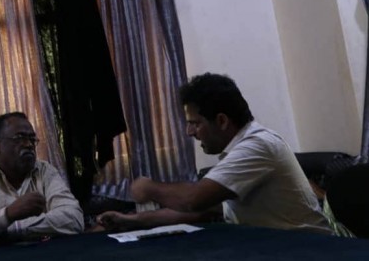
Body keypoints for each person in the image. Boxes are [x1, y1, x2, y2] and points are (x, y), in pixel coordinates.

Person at [96, 73, 331, 235]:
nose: (189, 132)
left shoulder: (257, 145)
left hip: (311, 250)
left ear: (221, 121)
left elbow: (193, 200)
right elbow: (200, 211)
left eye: (195, 123)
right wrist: (132, 220)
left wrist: (149, 188)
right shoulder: (238, 152)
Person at [0, 112, 84, 249]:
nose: (29, 145)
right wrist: (8, 213)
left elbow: (74, 218)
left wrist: (8, 226)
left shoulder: (45, 171)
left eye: (32, 139)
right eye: (19, 138)